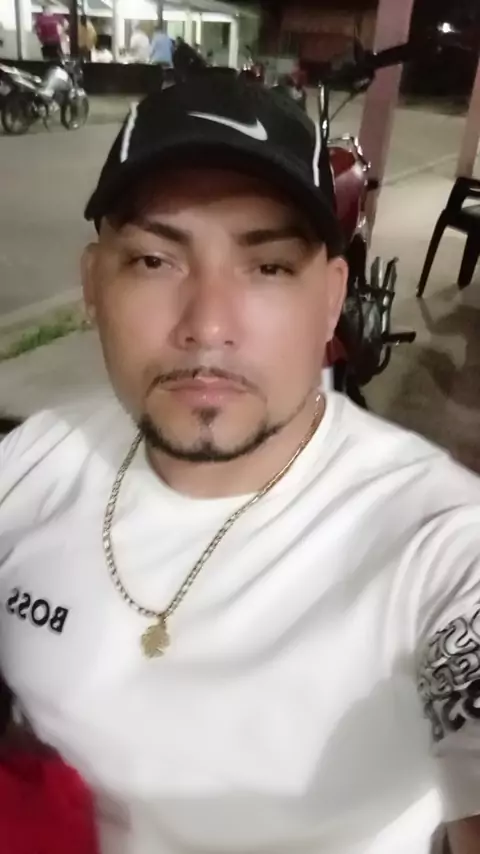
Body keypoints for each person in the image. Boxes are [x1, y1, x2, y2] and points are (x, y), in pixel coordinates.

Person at [0, 74, 480, 854]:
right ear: (92, 284)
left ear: (332, 300)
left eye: (269, 268)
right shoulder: (36, 461)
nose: (208, 325)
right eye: (154, 260)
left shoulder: (440, 544)